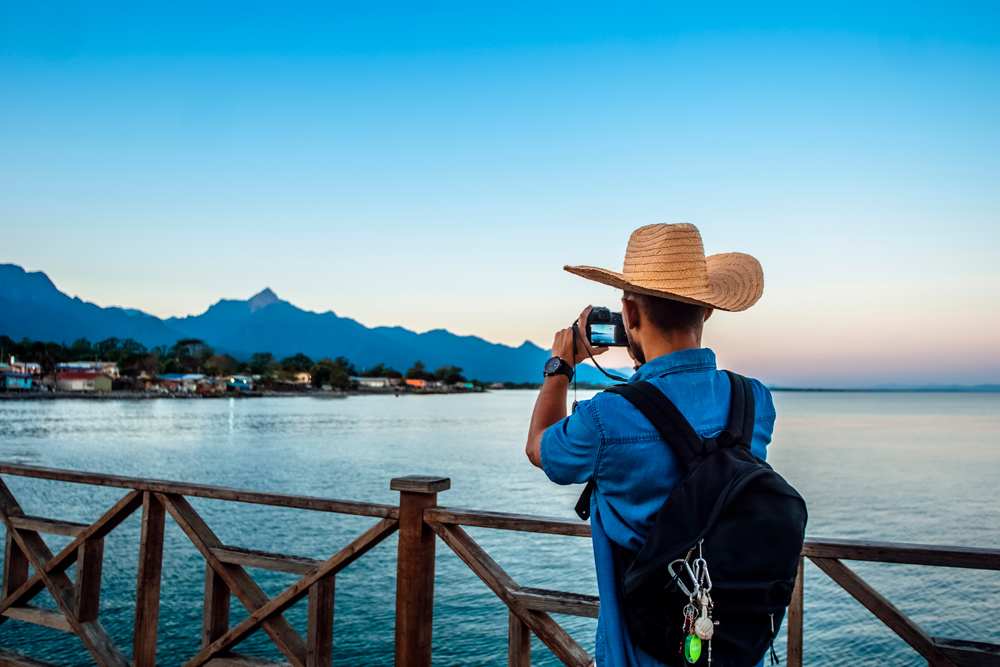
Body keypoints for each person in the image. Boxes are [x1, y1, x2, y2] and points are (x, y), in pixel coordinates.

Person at [525, 223, 776, 667]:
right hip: (730, 646)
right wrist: (646, 357)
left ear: (628, 312)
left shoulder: (607, 417)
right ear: (708, 311)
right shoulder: (753, 400)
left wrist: (560, 366)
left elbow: (542, 449)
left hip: (642, 653)